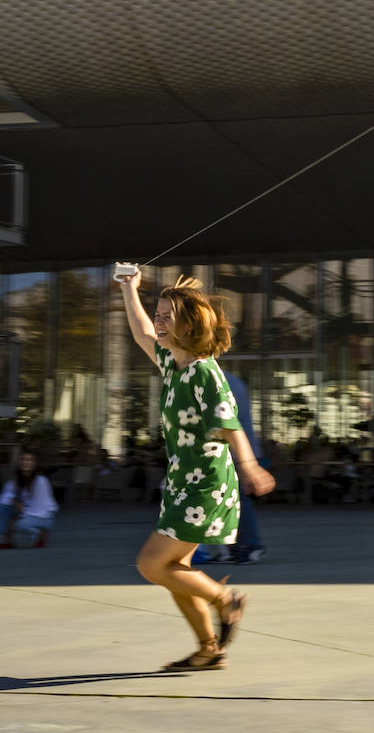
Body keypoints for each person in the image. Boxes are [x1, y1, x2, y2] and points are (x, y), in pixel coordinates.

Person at [119, 269, 275, 671]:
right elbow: (140, 333)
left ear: (189, 322)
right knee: (175, 571)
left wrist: (251, 466)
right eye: (159, 313)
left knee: (151, 565)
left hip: (205, 486)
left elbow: (228, 422)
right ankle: (209, 649)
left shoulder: (205, 372)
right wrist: (128, 289)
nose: (159, 321)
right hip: (182, 485)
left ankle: (226, 600)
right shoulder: (173, 366)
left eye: (168, 315)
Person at [216, 370, 266, 563]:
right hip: (237, 452)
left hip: (235, 452)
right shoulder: (232, 380)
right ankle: (236, 548)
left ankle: (251, 545)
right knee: (230, 502)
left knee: (239, 501)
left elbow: (230, 423)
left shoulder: (219, 381)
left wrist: (244, 463)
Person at [0, 451, 57, 548]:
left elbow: (41, 506)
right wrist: (14, 501)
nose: (26, 462)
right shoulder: (15, 481)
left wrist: (21, 516)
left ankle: (40, 534)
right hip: (28, 510)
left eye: (29, 460)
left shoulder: (41, 481)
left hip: (43, 516)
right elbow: (4, 497)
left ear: (34, 463)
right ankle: (7, 541)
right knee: (2, 505)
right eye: (23, 459)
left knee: (19, 525)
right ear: (19, 463)